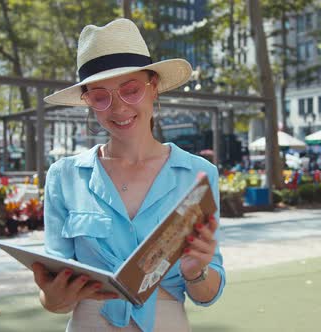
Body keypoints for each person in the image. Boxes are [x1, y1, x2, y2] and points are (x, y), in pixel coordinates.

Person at [33, 19, 225, 332]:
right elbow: (55, 300)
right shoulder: (63, 175)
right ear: (88, 102)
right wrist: (53, 297)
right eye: (100, 96)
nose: (118, 107)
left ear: (153, 86)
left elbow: (208, 293)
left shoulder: (199, 173)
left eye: (131, 89)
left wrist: (195, 272)